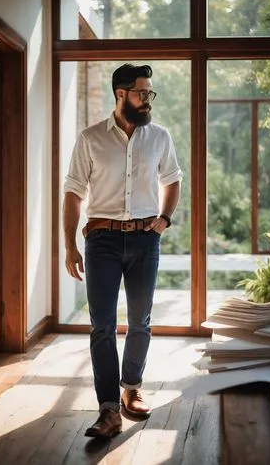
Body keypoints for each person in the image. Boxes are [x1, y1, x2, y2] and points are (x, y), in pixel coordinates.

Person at [63, 63, 182, 439]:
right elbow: (73, 193)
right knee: (101, 326)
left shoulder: (159, 136)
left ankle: (131, 388)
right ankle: (108, 410)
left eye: (150, 93)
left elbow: (173, 180)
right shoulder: (90, 138)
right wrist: (70, 245)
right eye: (141, 93)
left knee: (141, 319)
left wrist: (163, 219)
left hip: (146, 240)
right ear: (120, 94)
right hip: (102, 241)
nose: (148, 100)